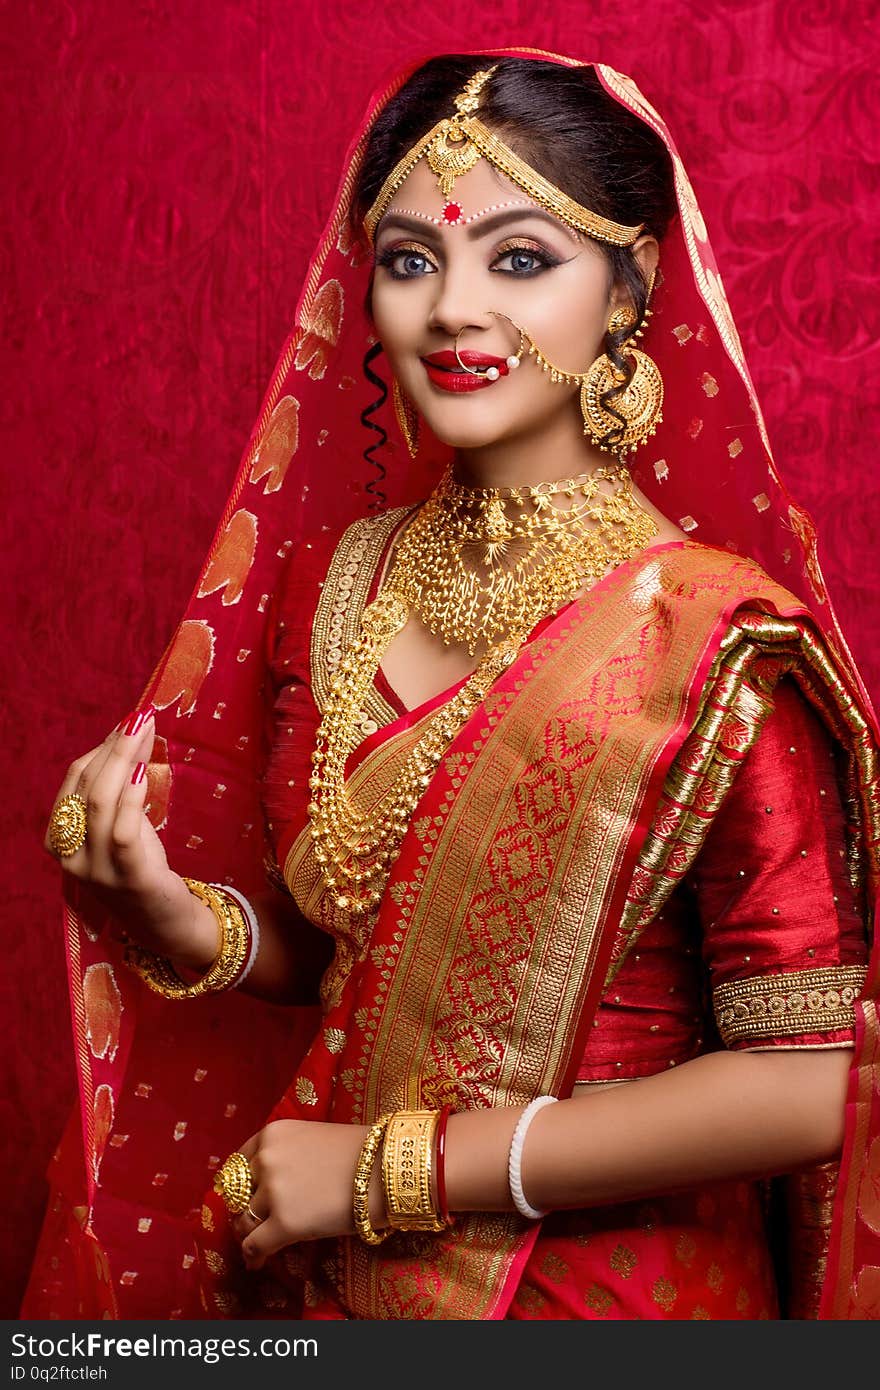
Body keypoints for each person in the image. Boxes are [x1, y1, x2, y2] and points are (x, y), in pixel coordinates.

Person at [25, 50, 879, 1322]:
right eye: (412, 259)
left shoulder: (715, 644)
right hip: (332, 1286)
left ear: (628, 290)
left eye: (521, 259)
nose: (451, 311)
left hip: (605, 1300)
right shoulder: (337, 586)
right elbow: (370, 943)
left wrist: (391, 1169)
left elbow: (804, 1082)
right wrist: (180, 921)